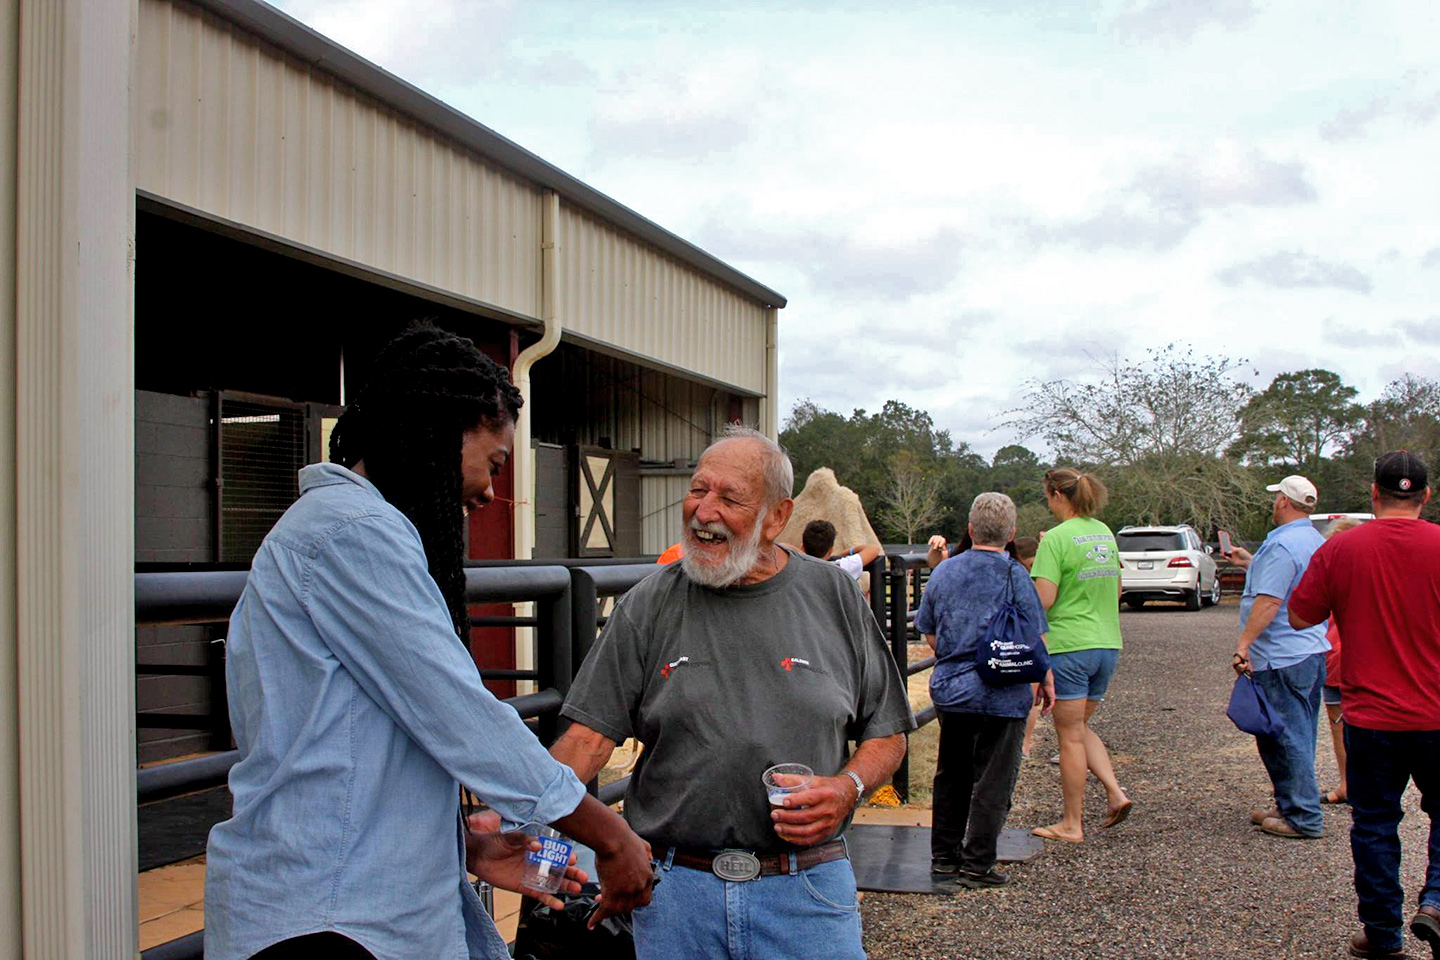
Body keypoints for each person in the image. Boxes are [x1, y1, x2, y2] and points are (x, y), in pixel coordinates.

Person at [205, 323, 653, 960]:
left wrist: (462, 848)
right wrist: (607, 832)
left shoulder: (347, 530)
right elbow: (458, 713)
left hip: (347, 902)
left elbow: (351, 749)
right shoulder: (353, 533)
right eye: (492, 462)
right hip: (328, 923)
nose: (491, 491)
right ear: (439, 432)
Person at [550, 425, 916, 960]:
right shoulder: (649, 603)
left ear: (776, 517)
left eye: (730, 498)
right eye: (698, 489)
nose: (704, 511)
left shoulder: (833, 594)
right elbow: (586, 743)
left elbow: (887, 733)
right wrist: (521, 816)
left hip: (806, 887)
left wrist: (848, 787)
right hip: (674, 893)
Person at [1289, 452, 1440, 960]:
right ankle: (1437, 901)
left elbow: (1300, 614)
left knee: (1375, 822)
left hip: (1372, 716)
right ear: (1425, 495)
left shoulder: (1342, 549)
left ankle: (1382, 935)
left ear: (1374, 494)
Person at [916, 494, 1056, 887]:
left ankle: (944, 857)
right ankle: (978, 863)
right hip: (1004, 692)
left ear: (971, 529)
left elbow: (928, 630)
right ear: (1011, 534)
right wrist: (1045, 679)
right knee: (993, 779)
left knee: (951, 774)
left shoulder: (944, 573)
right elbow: (1035, 637)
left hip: (955, 691)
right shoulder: (1017, 576)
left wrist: (958, 657)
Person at [1029, 468, 1132, 844]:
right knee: (1080, 728)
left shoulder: (1055, 539)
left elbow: (1044, 599)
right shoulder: (1103, 532)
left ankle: (1072, 823)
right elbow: (1118, 588)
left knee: (1069, 737)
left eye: (1047, 495)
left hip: (1070, 645)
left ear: (1057, 495)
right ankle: (1115, 793)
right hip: (1107, 643)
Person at [1230, 475, 1330, 840]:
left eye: (1276, 499)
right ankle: (1291, 802)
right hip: (1310, 651)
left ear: (1285, 502)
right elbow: (1290, 583)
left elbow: (1271, 600)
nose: (1273, 505)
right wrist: (1250, 563)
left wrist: (1244, 644)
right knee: (1298, 732)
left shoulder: (1282, 546)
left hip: (1281, 655)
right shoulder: (1312, 541)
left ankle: (1303, 816)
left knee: (1284, 735)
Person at [1317, 517, 1363, 807]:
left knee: (1339, 726)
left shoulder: (1328, 567)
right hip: (1363, 658)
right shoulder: (1372, 570)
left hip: (1336, 654)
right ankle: (1357, 785)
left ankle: (1348, 783)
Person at [1010, 537, 1044, 759]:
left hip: (1021, 636)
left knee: (1029, 694)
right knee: (1028, 694)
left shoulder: (1014, 575)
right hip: (1021, 636)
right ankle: (1023, 742)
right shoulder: (1018, 577)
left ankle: (1024, 742)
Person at [799, 518, 883, 581]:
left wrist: (800, 552)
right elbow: (873, 549)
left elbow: (786, 546)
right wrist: (844, 553)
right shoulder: (842, 567)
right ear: (831, 550)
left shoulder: (795, 567)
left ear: (802, 547)